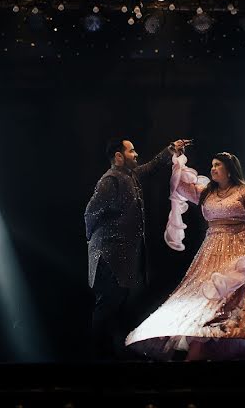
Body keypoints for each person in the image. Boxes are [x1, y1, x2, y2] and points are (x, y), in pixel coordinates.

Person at [125, 151, 245, 360]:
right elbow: (180, 187)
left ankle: (238, 349)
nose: (212, 168)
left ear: (229, 170)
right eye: (212, 164)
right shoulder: (206, 193)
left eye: (217, 165)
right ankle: (206, 348)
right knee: (206, 299)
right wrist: (177, 160)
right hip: (212, 250)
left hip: (239, 249)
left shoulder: (244, 192)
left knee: (236, 300)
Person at [85, 137, 190, 359]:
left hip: (121, 256)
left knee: (118, 305)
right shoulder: (110, 180)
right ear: (118, 156)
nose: (136, 154)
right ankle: (97, 357)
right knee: (107, 306)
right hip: (108, 255)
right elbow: (91, 213)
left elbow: (150, 167)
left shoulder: (128, 175)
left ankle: (112, 354)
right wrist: (96, 242)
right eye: (131, 151)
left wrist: (170, 149)